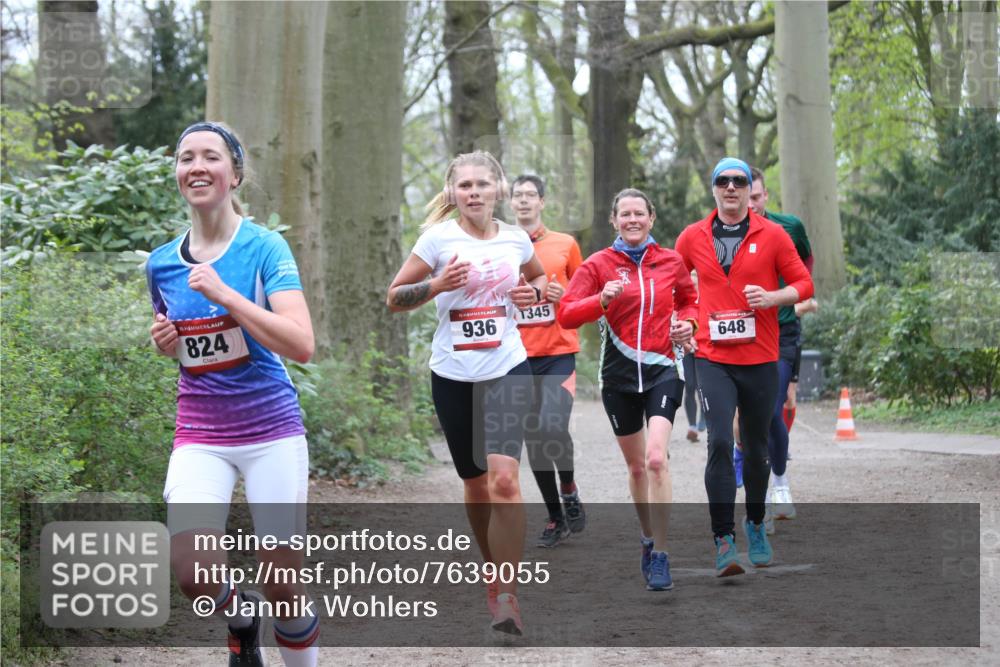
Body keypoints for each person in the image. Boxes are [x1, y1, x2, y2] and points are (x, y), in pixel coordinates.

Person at [148, 122, 319, 667]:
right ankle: (241, 619)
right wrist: (166, 344)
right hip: (200, 432)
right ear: (178, 173)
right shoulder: (161, 263)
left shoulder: (265, 247)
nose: (197, 166)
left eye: (211, 157)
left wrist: (227, 296)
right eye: (186, 158)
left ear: (235, 174)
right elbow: (192, 347)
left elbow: (301, 344)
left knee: (283, 583)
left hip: (271, 431)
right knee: (193, 572)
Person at [386, 151, 547, 636]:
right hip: (453, 374)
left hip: (507, 367)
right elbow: (394, 298)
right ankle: (491, 569)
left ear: (498, 189)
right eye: (464, 185)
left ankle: (508, 594)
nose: (473, 192)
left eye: (482, 184)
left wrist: (534, 293)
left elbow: (539, 277)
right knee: (476, 484)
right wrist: (437, 284)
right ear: (452, 192)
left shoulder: (516, 239)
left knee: (505, 481)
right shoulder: (437, 239)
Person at [675, 157, 813, 577]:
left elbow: (804, 283)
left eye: (739, 181)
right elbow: (677, 288)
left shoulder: (773, 234)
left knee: (755, 448)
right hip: (712, 358)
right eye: (724, 181)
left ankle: (754, 523)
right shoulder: (692, 236)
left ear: (748, 189)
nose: (732, 188)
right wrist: (686, 322)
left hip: (760, 357)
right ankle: (723, 539)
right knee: (719, 441)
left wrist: (773, 298)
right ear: (713, 188)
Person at [559, 188, 697, 592]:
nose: (633, 220)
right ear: (614, 221)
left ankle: (662, 554)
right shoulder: (598, 265)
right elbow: (566, 314)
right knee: (637, 467)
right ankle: (647, 538)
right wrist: (600, 301)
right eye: (625, 214)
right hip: (618, 379)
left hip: (663, 370)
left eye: (640, 213)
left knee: (656, 459)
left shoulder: (670, 261)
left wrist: (688, 324)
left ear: (651, 218)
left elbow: (690, 301)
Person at [509, 174, 587, 548]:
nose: (524, 201)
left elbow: (583, 298)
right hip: (515, 357)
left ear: (542, 202)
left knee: (551, 426)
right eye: (518, 195)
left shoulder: (565, 244)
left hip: (558, 353)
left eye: (530, 195)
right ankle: (556, 517)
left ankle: (568, 487)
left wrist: (564, 295)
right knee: (534, 438)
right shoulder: (501, 246)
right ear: (510, 203)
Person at [745, 166, 816, 525]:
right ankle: (750, 479)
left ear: (765, 195)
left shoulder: (789, 227)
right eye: (746, 198)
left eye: (756, 197)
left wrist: (793, 293)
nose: (751, 205)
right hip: (742, 334)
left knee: (771, 410)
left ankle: (780, 485)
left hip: (782, 331)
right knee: (745, 416)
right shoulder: (718, 232)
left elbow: (806, 262)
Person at [681, 272, 706, 442]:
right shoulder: (682, 301)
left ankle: (704, 417)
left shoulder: (707, 299)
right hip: (687, 348)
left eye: (695, 284)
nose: (692, 287)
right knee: (689, 386)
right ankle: (692, 426)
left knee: (702, 386)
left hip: (704, 348)